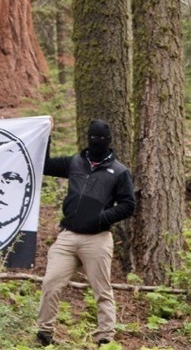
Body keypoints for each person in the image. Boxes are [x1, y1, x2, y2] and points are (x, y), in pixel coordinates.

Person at [36, 119, 135, 347]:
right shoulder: (75, 162)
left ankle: (105, 337)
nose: (96, 143)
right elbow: (45, 165)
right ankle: (44, 332)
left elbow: (129, 204)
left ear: (108, 142)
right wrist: (47, 135)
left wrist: (103, 217)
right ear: (87, 138)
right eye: (92, 139)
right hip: (68, 236)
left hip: (98, 239)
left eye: (100, 140)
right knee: (51, 282)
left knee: (102, 289)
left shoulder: (119, 171)